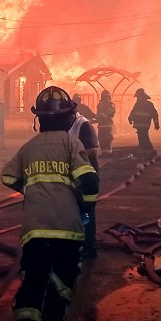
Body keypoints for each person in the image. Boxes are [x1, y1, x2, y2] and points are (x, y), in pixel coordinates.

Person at [1, 86, 99, 321]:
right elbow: (90, 183)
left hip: (34, 229)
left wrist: (31, 188)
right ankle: (55, 318)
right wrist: (86, 208)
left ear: (39, 119)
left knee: (32, 279)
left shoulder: (29, 147)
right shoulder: (72, 145)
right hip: (67, 228)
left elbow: (7, 177)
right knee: (66, 274)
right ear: (70, 117)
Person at [69, 95, 100, 258]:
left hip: (86, 177)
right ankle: (75, 245)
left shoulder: (84, 125)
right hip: (71, 176)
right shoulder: (64, 124)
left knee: (86, 212)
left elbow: (92, 151)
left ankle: (88, 247)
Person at [128, 88, 160, 154]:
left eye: (138, 97)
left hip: (144, 124)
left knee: (144, 137)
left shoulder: (149, 104)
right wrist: (130, 118)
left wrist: (156, 123)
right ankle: (144, 150)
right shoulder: (137, 105)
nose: (137, 98)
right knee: (142, 137)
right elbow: (133, 112)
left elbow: (154, 114)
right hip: (140, 124)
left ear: (142, 96)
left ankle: (149, 150)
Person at [96, 89, 116, 156]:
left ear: (109, 97)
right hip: (101, 125)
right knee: (101, 139)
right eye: (104, 97)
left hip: (108, 125)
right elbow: (98, 114)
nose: (105, 98)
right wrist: (97, 118)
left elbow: (110, 112)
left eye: (106, 97)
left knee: (108, 139)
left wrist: (102, 115)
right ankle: (104, 153)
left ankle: (108, 153)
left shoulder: (111, 105)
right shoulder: (99, 105)